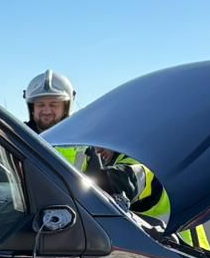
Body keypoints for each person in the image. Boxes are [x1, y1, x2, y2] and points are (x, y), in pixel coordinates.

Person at [23, 70, 145, 204]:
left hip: (75, 209)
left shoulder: (87, 139)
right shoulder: (19, 138)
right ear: (32, 107)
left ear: (66, 107)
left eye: (54, 104)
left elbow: (103, 185)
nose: (46, 111)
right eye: (40, 104)